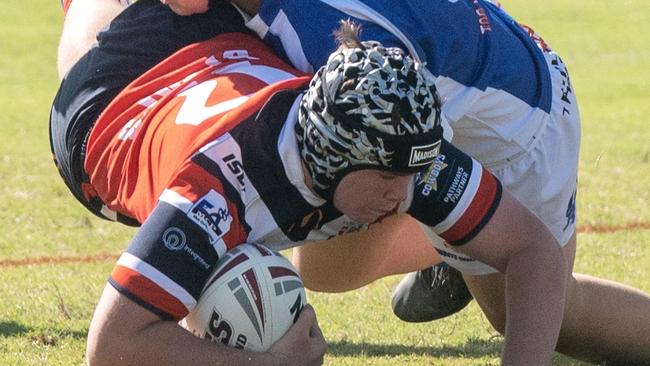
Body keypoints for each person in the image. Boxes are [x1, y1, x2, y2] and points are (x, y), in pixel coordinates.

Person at [51, 1, 581, 365]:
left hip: (227, 51)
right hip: (105, 101)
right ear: (332, 158)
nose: (407, 192)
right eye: (391, 178)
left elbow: (533, 248)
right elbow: (112, 344)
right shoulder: (215, 192)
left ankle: (450, 250)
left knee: (328, 269)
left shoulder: (387, 143)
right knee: (86, 30)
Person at [167, 0, 650, 364]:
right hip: (448, 91)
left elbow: (405, 142)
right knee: (321, 269)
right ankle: (453, 249)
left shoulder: (328, 41)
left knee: (541, 309)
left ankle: (469, 243)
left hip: (523, 124)